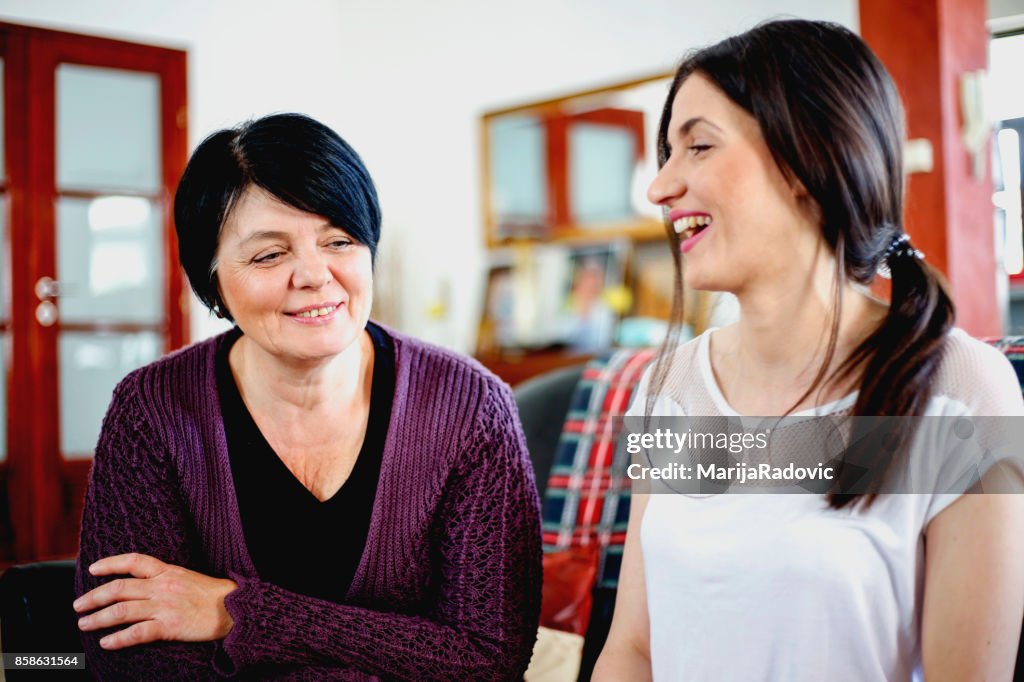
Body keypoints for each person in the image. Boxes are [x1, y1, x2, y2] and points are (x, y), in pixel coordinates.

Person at [593, 19, 1024, 681]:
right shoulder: (671, 388)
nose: (661, 188)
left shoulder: (961, 390)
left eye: (699, 147)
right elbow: (635, 650)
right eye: (666, 154)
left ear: (806, 161)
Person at [72, 113, 542, 681]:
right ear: (212, 278)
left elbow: (488, 658)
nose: (316, 275)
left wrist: (236, 614)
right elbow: (127, 645)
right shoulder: (153, 409)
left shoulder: (470, 407)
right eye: (270, 255)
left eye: (339, 241)